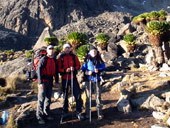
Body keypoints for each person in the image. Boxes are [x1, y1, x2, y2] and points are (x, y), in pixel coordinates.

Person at [58, 43, 84, 121]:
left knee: (78, 95)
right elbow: (58, 68)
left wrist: (74, 68)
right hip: (65, 78)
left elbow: (78, 65)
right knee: (65, 95)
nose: (67, 49)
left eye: (68, 48)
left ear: (70, 49)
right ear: (63, 49)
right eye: (66, 48)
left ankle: (78, 112)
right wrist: (65, 70)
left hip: (73, 77)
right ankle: (65, 112)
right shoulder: (61, 57)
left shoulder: (74, 56)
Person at [36, 45, 59, 124]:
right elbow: (38, 71)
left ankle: (47, 114)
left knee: (48, 98)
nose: (51, 50)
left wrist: (56, 81)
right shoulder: (43, 59)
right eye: (50, 49)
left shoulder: (54, 60)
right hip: (43, 81)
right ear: (47, 50)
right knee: (41, 99)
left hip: (50, 81)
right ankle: (39, 117)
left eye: (53, 49)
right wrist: (40, 82)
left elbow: (56, 72)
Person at [81, 45, 105, 120]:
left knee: (98, 96)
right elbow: (83, 70)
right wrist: (88, 73)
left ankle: (100, 113)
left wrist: (99, 70)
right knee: (88, 97)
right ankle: (88, 113)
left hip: (97, 79)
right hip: (89, 79)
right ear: (89, 52)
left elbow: (103, 67)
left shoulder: (99, 58)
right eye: (92, 51)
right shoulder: (86, 59)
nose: (94, 52)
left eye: (95, 51)